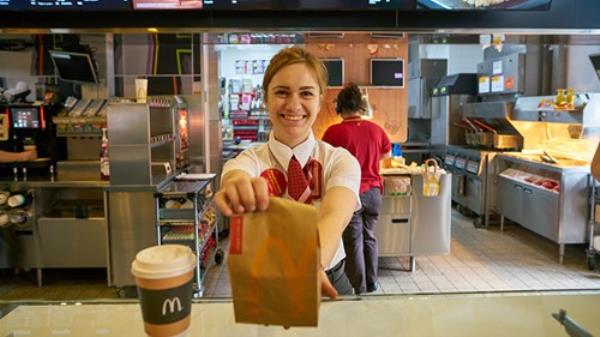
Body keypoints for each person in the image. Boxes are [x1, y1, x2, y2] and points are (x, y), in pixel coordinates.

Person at [215, 47, 361, 298]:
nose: (294, 105)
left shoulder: (339, 161)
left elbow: (335, 216)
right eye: (282, 92)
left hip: (328, 278)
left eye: (306, 93)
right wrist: (236, 187)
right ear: (266, 99)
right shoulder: (250, 160)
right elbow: (236, 175)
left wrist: (310, 265)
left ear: (320, 100)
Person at [322, 84, 391, 294]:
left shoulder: (333, 132)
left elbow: (324, 162)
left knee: (353, 241)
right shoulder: (376, 129)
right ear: (361, 106)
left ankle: (359, 288)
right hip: (373, 193)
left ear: (340, 107)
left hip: (349, 194)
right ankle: (372, 283)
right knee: (369, 236)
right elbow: (386, 155)